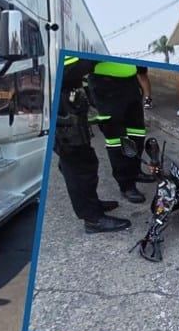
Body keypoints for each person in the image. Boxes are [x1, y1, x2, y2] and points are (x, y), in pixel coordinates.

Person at [54, 56, 131, 233]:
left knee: (84, 159)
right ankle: (93, 219)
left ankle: (92, 204)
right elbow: (69, 67)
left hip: (69, 103)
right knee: (77, 163)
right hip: (62, 108)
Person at [88, 61, 153, 204]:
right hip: (105, 83)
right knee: (116, 139)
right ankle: (127, 185)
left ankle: (135, 171)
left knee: (137, 133)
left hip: (130, 81)